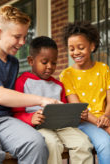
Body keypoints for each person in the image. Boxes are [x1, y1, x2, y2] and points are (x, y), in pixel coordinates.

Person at [0, 5, 59, 164]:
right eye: (17, 36)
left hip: (3, 119)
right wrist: (41, 99)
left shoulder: (13, 62)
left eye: (25, 37)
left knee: (36, 144)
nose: (22, 42)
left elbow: (13, 98)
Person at [60, 21, 110, 164]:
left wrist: (107, 118)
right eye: (71, 49)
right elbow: (78, 109)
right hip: (84, 122)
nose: (76, 52)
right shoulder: (67, 75)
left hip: (107, 118)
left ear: (92, 46)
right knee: (105, 144)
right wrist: (105, 126)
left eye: (81, 47)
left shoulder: (103, 69)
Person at [12, 36, 93, 164]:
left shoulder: (58, 85)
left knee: (83, 142)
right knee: (52, 144)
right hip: (38, 127)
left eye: (53, 63)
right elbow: (15, 113)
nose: (50, 66)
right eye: (44, 62)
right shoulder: (21, 82)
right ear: (31, 61)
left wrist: (78, 116)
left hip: (62, 127)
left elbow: (64, 110)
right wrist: (30, 118)